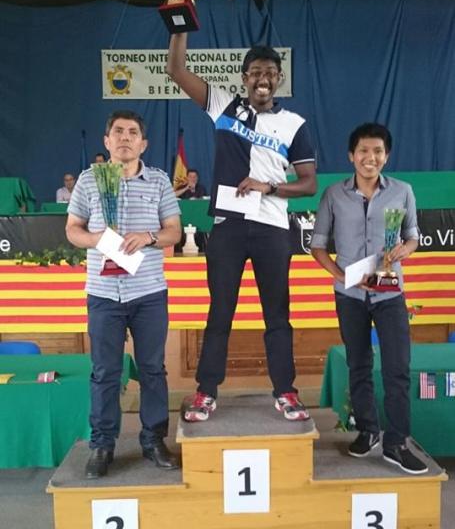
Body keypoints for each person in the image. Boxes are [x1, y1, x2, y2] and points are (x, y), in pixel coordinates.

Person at [167, 34, 317, 423]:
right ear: (244, 77)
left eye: (270, 72)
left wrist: (270, 187)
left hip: (271, 228)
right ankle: (205, 392)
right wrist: (181, 26)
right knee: (220, 312)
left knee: (277, 314)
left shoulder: (294, 124)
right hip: (228, 225)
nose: (262, 78)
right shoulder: (223, 105)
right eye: (255, 72)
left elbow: (309, 183)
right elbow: (176, 70)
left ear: (279, 78)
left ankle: (286, 391)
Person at [66, 110, 182, 478]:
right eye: (118, 131)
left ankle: (153, 439)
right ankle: (102, 444)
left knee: (152, 369)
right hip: (103, 293)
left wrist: (148, 237)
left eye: (133, 132)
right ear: (107, 140)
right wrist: (97, 239)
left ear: (143, 143)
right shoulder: (89, 180)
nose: (125, 137)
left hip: (148, 292)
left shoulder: (159, 181)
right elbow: (72, 229)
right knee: (105, 372)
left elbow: (174, 231)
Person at [311, 122, 427, 474]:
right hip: (349, 295)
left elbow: (413, 236)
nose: (370, 157)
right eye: (363, 151)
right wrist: (343, 276)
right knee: (358, 364)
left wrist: (403, 250)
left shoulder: (402, 191)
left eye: (378, 151)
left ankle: (397, 442)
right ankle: (367, 430)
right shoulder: (334, 194)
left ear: (386, 156)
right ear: (351, 155)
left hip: (390, 292)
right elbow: (318, 246)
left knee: (397, 368)